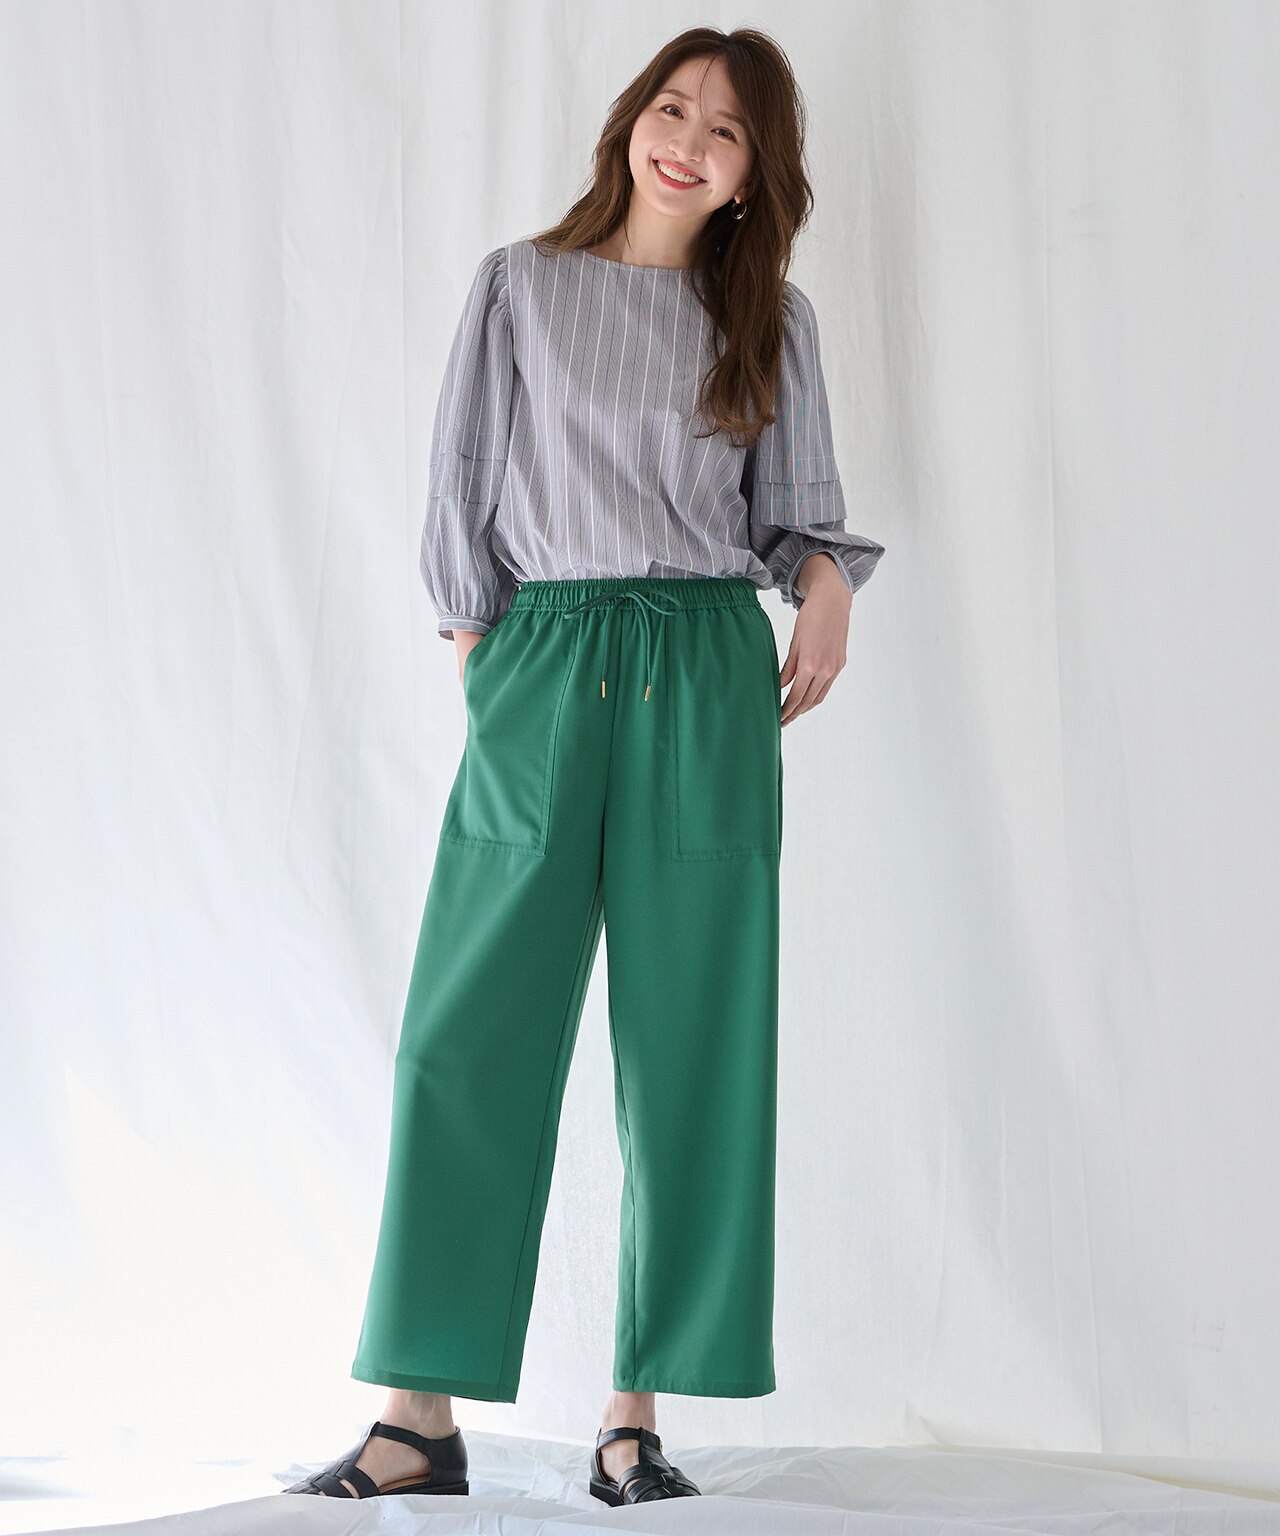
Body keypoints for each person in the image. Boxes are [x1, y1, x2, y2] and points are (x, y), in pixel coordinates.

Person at [284, 24, 885, 1507]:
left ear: (752, 175)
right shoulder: (521, 286)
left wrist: (826, 585)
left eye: (727, 132)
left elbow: (797, 515)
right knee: (467, 1029)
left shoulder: (771, 320)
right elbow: (462, 487)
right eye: (673, 109)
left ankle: (633, 1417)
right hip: (544, 658)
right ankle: (416, 1416)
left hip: (705, 671)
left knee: (692, 1042)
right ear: (630, 121)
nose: (689, 142)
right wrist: (485, 657)